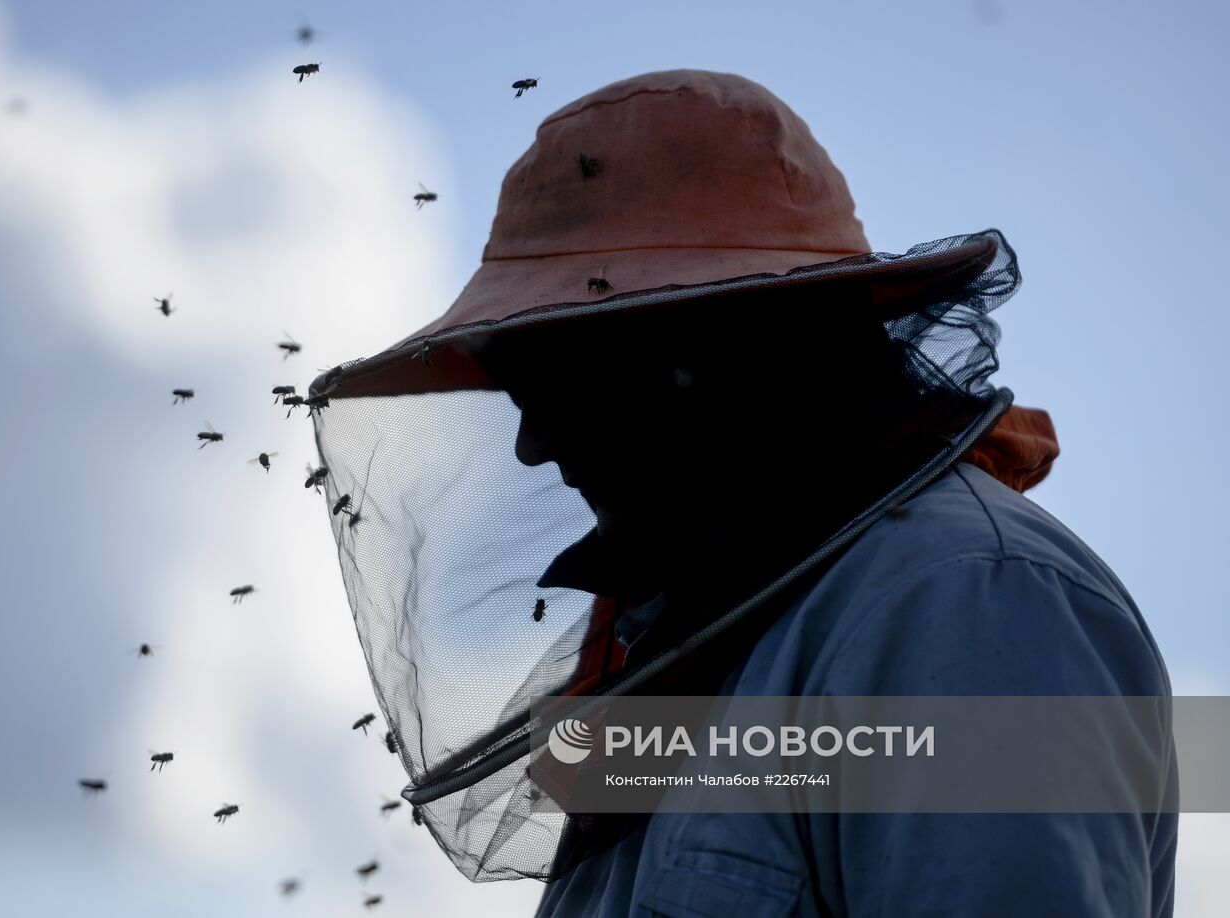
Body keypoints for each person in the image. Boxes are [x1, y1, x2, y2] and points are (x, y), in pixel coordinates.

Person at [307, 70, 1176, 916]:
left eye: (564, 381)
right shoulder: (710, 641)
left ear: (732, 349)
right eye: (520, 390)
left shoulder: (962, 600)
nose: (533, 444)